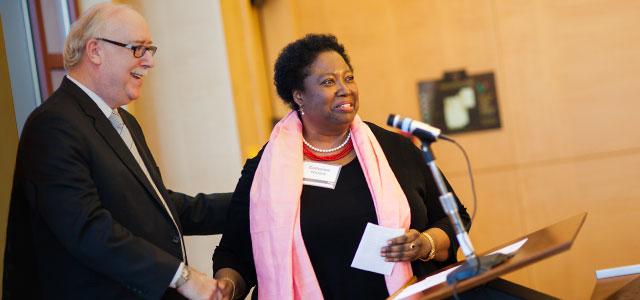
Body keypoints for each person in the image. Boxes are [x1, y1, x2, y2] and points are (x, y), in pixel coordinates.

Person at [211, 34, 471, 299]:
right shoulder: (263, 170)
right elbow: (235, 253)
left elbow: (455, 217)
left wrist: (425, 244)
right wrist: (226, 286)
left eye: (349, 78)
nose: (345, 88)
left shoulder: (395, 149)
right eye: (328, 82)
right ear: (299, 95)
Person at [3, 3, 230, 299]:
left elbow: (157, 208)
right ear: (95, 51)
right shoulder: (53, 125)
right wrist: (181, 277)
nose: (149, 61)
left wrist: (251, 201)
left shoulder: (124, 121)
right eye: (138, 48)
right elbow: (87, 229)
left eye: (150, 50)